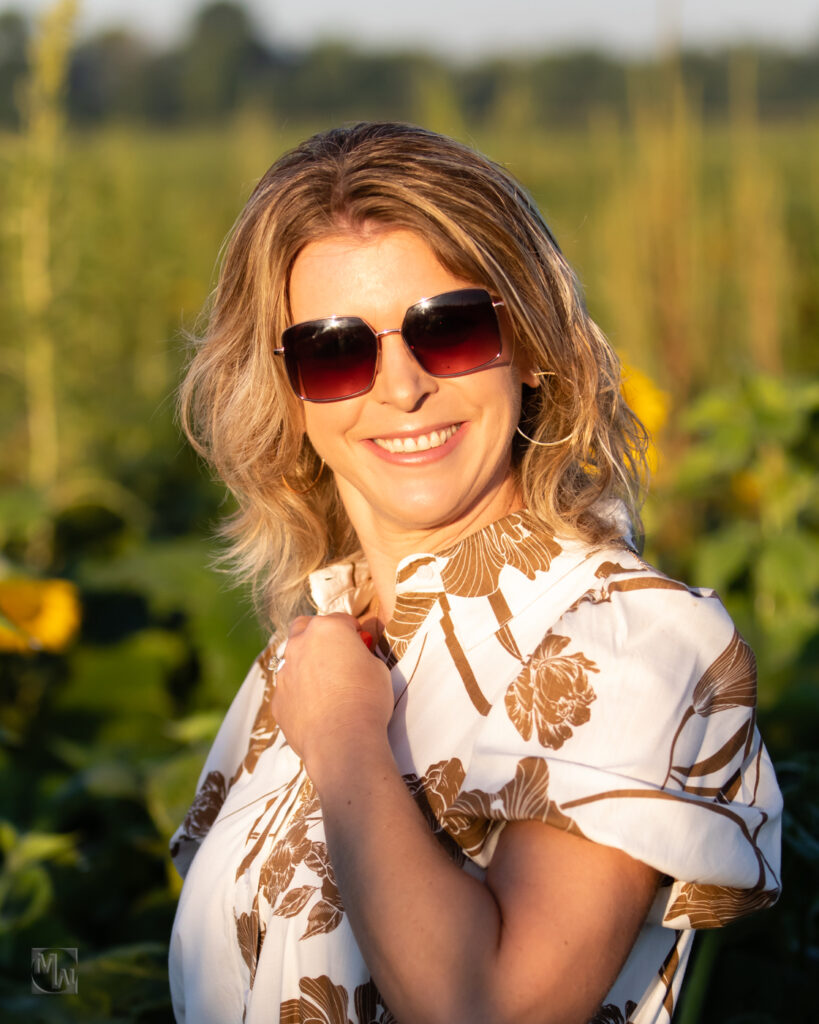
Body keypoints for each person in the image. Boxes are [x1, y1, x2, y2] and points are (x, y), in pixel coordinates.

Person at [169, 122, 782, 1024]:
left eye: (448, 330)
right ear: (291, 396)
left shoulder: (626, 636)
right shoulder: (312, 654)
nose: (400, 386)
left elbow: (490, 1009)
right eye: (334, 350)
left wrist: (343, 742)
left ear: (532, 346)